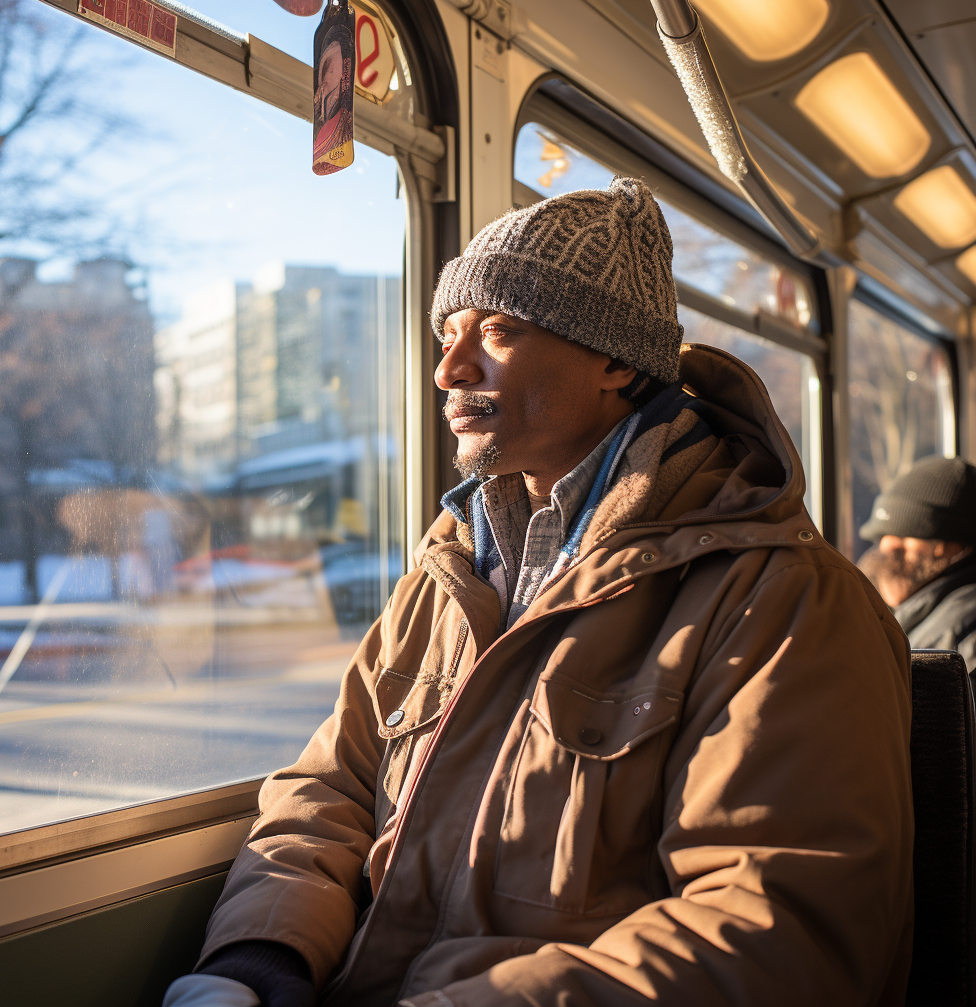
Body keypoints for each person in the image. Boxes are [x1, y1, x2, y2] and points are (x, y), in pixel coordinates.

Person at [164, 177, 912, 1007]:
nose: (450, 367)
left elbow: (778, 930)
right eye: (448, 333)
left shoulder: (782, 601)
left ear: (616, 362)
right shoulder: (446, 578)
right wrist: (259, 960)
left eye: (500, 331)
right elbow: (330, 789)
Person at [858, 454, 976, 670]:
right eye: (881, 536)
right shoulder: (919, 620)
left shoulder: (964, 640)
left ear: (955, 545)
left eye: (907, 534)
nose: (887, 546)